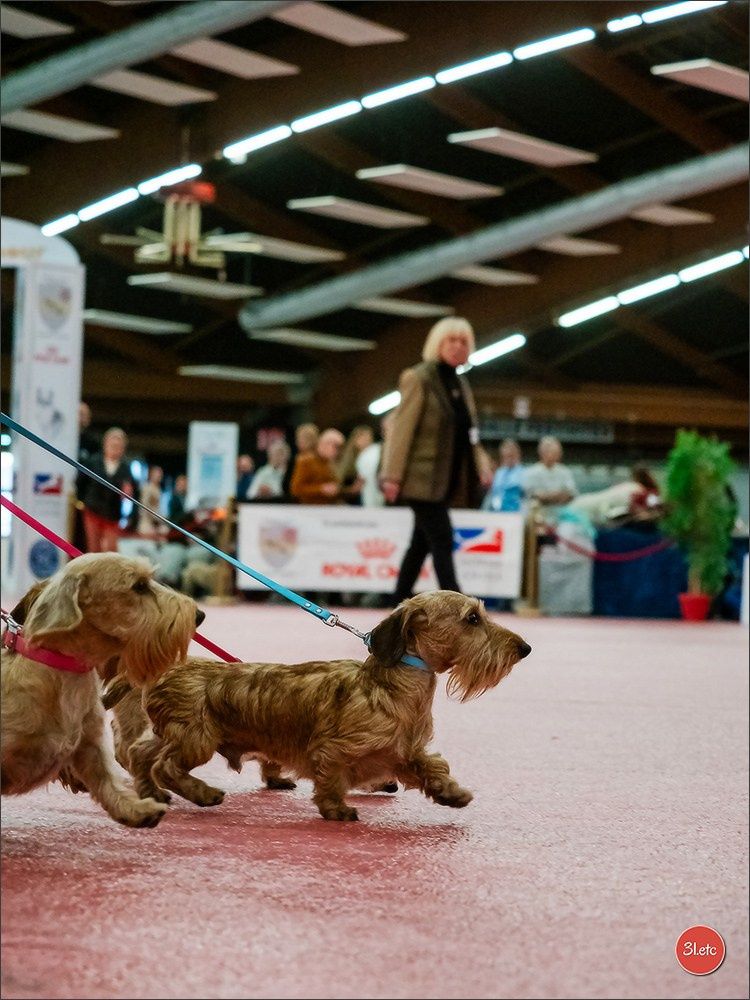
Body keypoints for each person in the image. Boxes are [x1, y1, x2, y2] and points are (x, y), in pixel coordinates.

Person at [380, 316, 493, 606]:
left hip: (446, 481)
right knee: (442, 538)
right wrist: (391, 475)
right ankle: (458, 606)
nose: (458, 346)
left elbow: (470, 433)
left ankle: (396, 605)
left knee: (420, 545)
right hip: (421, 479)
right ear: (437, 344)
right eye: (451, 340)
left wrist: (482, 465)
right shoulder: (419, 377)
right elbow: (402, 430)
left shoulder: (460, 383)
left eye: (463, 341)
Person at [79, 426, 135, 553]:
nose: (115, 447)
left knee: (111, 549)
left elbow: (133, 492)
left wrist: (131, 515)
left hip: (112, 514)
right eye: (112, 444)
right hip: (92, 511)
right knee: (93, 547)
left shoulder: (126, 468)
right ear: (105, 444)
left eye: (118, 445)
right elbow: (81, 482)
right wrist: (83, 502)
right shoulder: (93, 461)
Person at [567, 465, 661, 529]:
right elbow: (655, 506)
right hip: (594, 508)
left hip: (586, 503)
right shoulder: (640, 490)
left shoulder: (630, 486)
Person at [523, 435, 578, 526]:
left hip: (561, 519)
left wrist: (548, 497)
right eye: (550, 451)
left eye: (557, 452)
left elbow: (570, 495)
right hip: (538, 520)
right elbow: (533, 496)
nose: (554, 454)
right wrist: (556, 496)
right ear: (542, 452)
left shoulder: (565, 472)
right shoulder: (530, 472)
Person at [290, 427, 345, 504]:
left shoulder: (329, 463)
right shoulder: (306, 461)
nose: (337, 452)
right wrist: (321, 489)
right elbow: (296, 489)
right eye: (336, 447)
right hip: (310, 509)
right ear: (325, 444)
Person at [482, 438, 526, 513]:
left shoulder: (524, 473)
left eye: (511, 455)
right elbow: (492, 494)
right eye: (505, 456)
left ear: (518, 454)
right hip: (497, 513)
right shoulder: (499, 472)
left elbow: (526, 497)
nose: (508, 459)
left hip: (515, 513)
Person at [337, 424, 375, 505]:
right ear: (355, 440)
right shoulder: (349, 461)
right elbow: (340, 485)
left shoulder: (373, 457)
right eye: (363, 438)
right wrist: (352, 489)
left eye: (369, 438)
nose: (367, 441)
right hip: (353, 501)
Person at [283, 422, 320, 500]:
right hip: (298, 503)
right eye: (298, 438)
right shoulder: (296, 460)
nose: (298, 442)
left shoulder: (320, 460)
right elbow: (288, 486)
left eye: (301, 438)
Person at [137, 464, 165, 538]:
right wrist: (154, 520)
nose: (159, 477)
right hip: (147, 520)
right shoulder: (147, 487)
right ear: (152, 475)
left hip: (156, 519)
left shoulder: (158, 488)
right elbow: (144, 505)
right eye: (157, 475)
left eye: (160, 475)